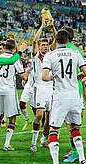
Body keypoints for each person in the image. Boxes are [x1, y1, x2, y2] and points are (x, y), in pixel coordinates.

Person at [42, 30, 86, 164]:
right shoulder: (75, 53)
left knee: (54, 131)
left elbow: (44, 77)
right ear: (68, 40)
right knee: (75, 129)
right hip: (75, 97)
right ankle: (82, 158)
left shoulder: (50, 55)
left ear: (55, 40)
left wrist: (54, 76)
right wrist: (80, 75)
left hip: (60, 98)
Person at [0, 39, 28, 151]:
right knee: (12, 118)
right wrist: (28, 71)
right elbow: (23, 76)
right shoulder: (15, 59)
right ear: (14, 48)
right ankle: (7, 144)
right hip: (9, 90)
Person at [30, 20, 54, 152]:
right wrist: (42, 26)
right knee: (39, 115)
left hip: (51, 88)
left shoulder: (51, 55)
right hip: (40, 87)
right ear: (39, 47)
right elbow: (34, 41)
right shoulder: (35, 56)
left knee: (49, 117)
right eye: (43, 45)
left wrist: (53, 28)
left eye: (46, 45)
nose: (45, 46)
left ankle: (44, 140)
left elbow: (57, 42)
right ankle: (33, 142)